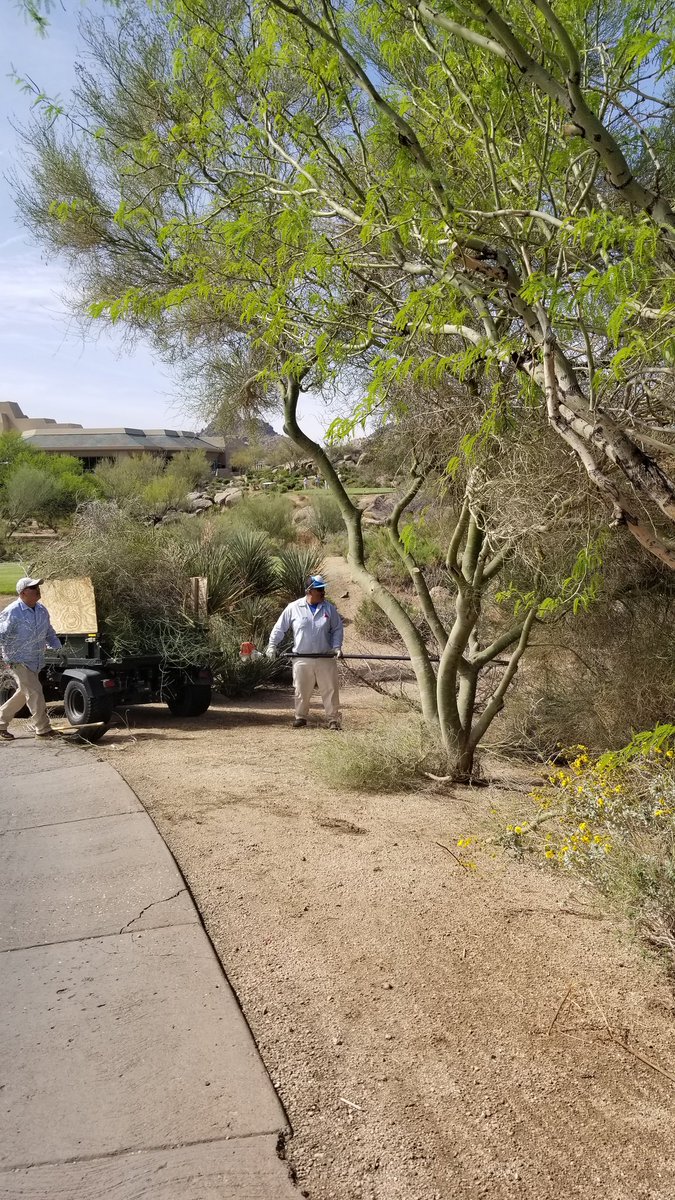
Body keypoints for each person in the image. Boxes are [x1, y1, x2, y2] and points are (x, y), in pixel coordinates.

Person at [267, 574, 344, 729]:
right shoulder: (293, 607)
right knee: (301, 689)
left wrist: (337, 647)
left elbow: (337, 629)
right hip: (302, 657)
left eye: (323, 589)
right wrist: (272, 645)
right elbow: (280, 628)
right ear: (309, 590)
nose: (323, 592)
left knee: (330, 689)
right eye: (319, 589)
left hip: (325, 657)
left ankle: (333, 720)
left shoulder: (329, 608)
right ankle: (300, 717)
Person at [0, 577, 62, 741]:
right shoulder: (12, 612)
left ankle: (0, 723)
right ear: (23, 593)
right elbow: (1, 635)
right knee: (35, 692)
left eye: (37, 587)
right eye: (33, 588)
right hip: (18, 660)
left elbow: (49, 632)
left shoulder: (41, 610)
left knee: (24, 693)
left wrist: (57, 648)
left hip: (36, 660)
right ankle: (43, 729)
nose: (37, 590)